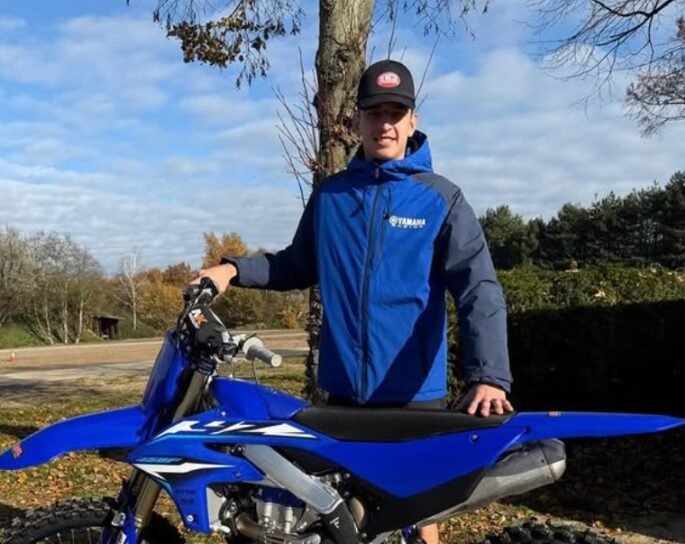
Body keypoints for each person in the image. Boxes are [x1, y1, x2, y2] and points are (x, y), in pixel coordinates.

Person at [194, 59, 514, 544]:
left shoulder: (441, 199)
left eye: (395, 113)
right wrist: (232, 269)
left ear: (412, 121)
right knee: (343, 520)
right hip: (341, 396)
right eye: (374, 113)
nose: (384, 124)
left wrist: (489, 375)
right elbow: (295, 264)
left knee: (418, 517)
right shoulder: (331, 196)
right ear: (358, 121)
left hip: (413, 400)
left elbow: (479, 288)